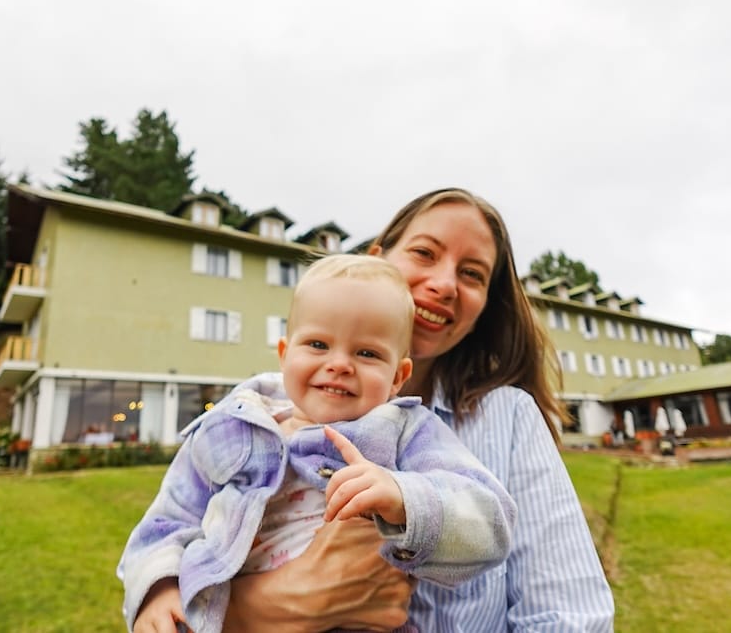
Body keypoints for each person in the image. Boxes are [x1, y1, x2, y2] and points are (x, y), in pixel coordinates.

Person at [219, 188, 615, 632]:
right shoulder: (255, 413)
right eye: (424, 252)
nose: (445, 285)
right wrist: (256, 610)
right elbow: (173, 541)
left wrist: (410, 505)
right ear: (376, 260)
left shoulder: (508, 418)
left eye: (472, 274)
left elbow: (567, 617)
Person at [118, 254, 518, 633]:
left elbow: (491, 523)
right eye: (318, 345)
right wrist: (158, 588)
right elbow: (167, 521)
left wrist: (404, 497)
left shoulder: (405, 430)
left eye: (366, 353)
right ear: (283, 353)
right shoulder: (232, 428)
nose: (340, 364)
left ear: (399, 376)